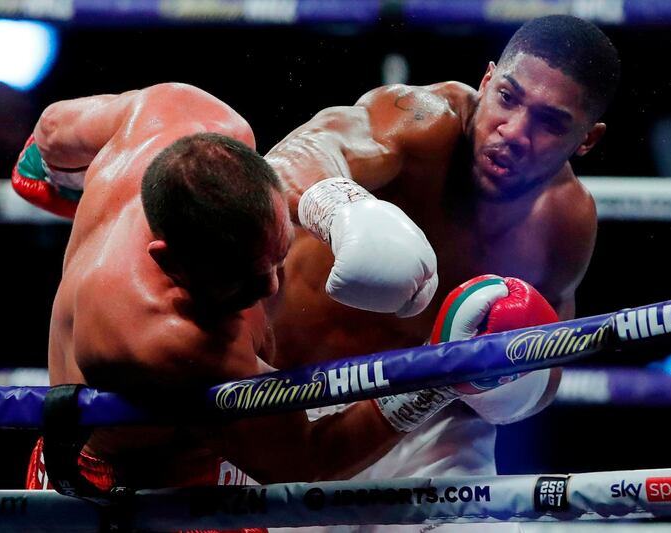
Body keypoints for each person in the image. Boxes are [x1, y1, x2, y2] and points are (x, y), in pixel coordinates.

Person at [11, 83, 494, 533]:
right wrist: (435, 377)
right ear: (168, 261)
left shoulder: (180, 112)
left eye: (277, 255)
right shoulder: (169, 339)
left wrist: (333, 206)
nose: (269, 285)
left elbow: (51, 130)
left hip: (214, 453)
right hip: (137, 494)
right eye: (241, 279)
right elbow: (307, 458)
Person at [263, 15, 620, 532]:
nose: (514, 132)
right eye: (508, 97)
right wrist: (342, 209)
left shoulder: (563, 221)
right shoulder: (420, 121)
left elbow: (549, 365)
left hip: (429, 430)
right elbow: (296, 156)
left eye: (550, 122)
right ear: (486, 79)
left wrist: (509, 386)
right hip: (292, 400)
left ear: (587, 140)